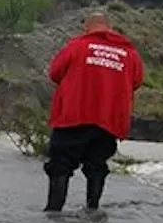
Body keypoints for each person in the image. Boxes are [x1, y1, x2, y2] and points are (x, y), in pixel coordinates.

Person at [44, 12, 144, 211]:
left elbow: (55, 73)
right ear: (109, 27)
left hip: (74, 116)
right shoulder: (129, 54)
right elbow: (137, 81)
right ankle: (92, 210)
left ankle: (53, 214)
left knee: (61, 164)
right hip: (108, 120)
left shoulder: (77, 46)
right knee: (97, 164)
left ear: (88, 27)